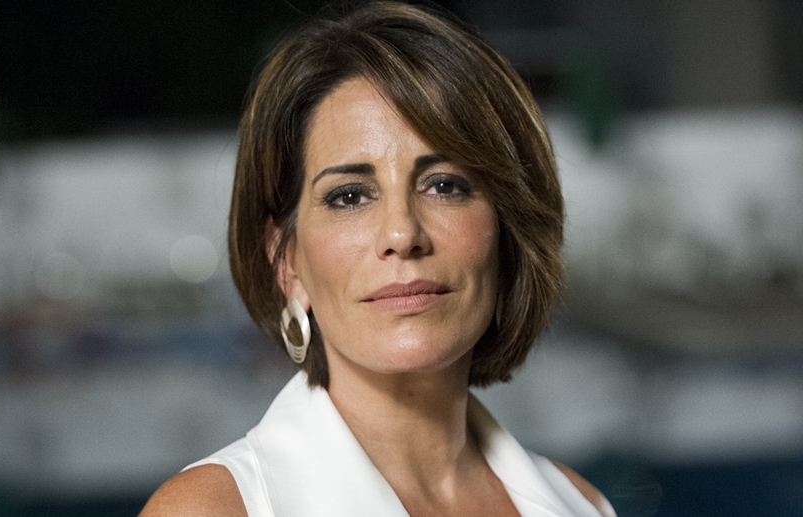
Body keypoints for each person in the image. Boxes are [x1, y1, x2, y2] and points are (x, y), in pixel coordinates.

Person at [140, 2, 615, 516]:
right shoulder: (211, 509)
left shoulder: (581, 504)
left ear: (508, 231)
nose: (402, 234)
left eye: (445, 185)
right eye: (349, 196)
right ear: (287, 261)